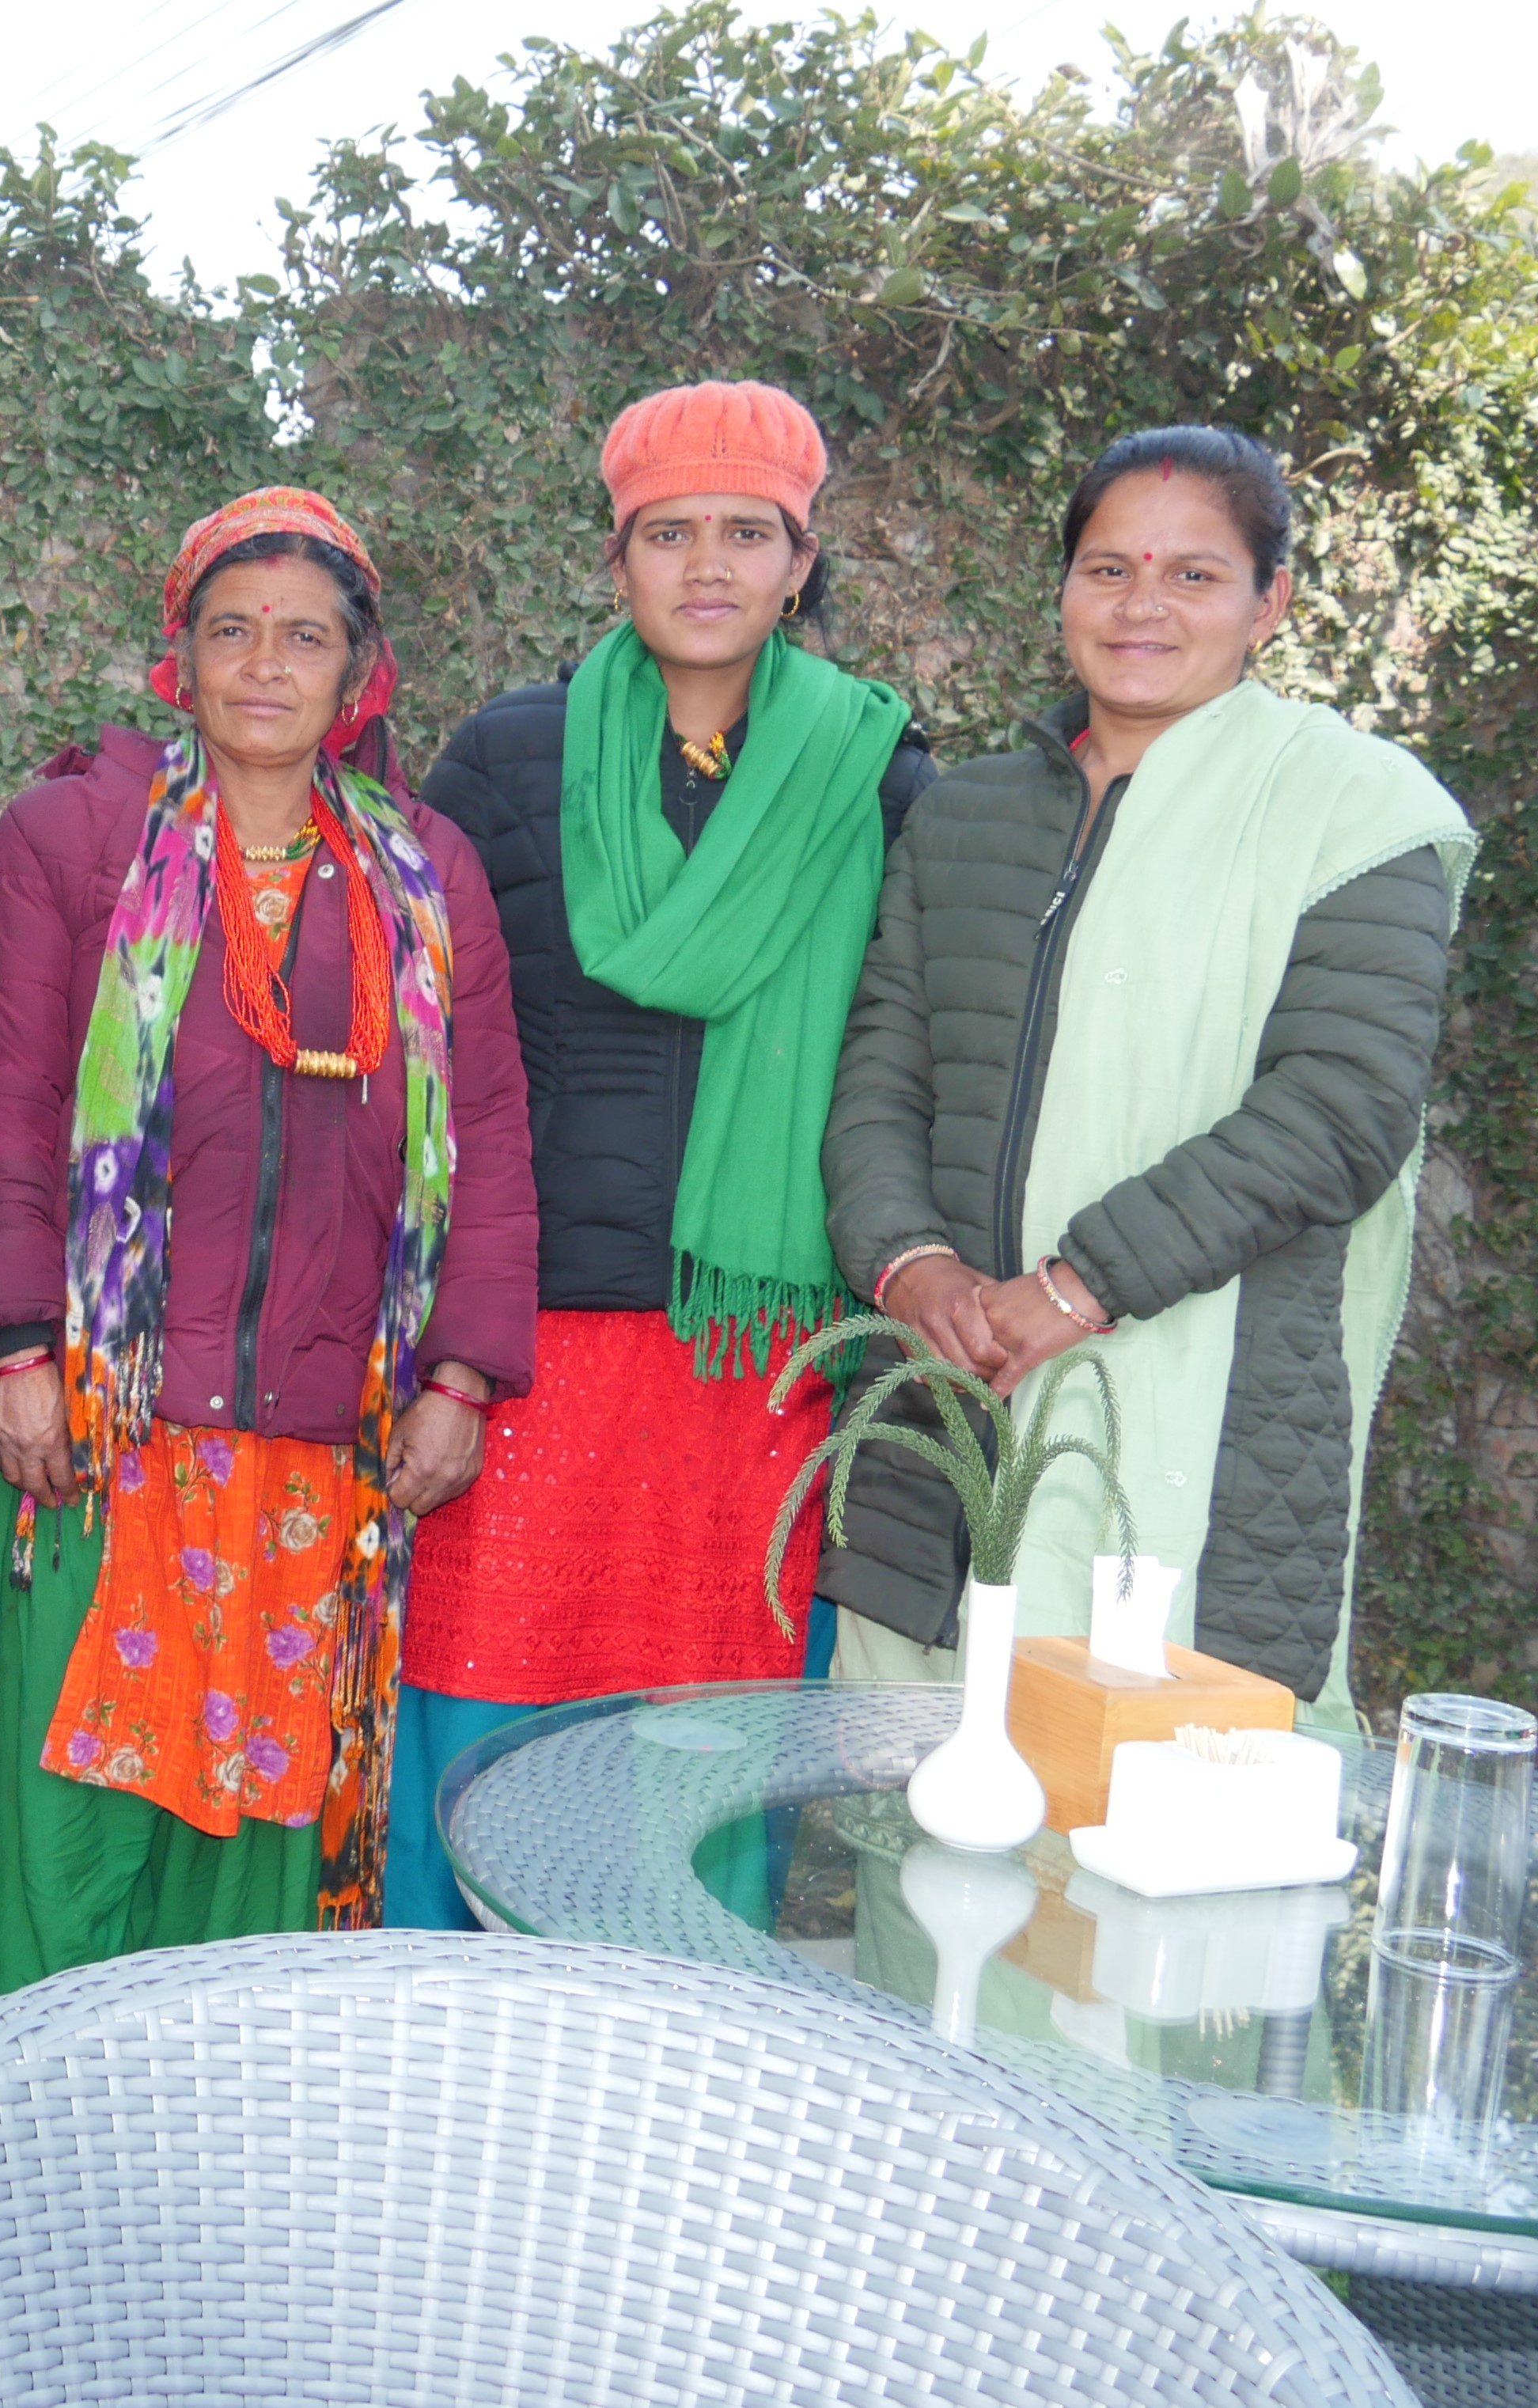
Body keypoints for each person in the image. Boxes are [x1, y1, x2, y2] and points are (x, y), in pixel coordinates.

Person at [0, 486, 534, 2018]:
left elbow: (495, 1137)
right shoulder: (73, 838)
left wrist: (461, 1371)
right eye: (233, 630)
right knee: (59, 1838)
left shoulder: (429, 876)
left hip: (320, 1453)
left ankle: (208, 2177)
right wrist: (14, 1349)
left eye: (306, 636)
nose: (267, 664)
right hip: (96, 1433)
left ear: (360, 672)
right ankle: (14, 2145)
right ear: (178, 658)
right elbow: (6, 1105)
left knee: (252, 1861)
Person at [386, 381, 933, 1928]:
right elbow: (436, 1066)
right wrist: (445, 1340)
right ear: (617, 559)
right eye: (668, 532)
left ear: (800, 561)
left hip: (757, 1358)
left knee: (704, 1746)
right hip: (534, 1342)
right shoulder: (509, 758)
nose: (708, 565)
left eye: (747, 533)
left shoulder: (876, 778)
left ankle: (674, 2098)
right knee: (479, 1722)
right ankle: (442, 2079)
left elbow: (909, 1061)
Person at [820, 425, 1468, 1721]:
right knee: (918, 1814)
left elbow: (1341, 1109)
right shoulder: (965, 815)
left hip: (1201, 1395)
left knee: (1153, 1829)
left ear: (1269, 601)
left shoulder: (1359, 809)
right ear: (1061, 586)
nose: (1141, 607)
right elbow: (883, 1068)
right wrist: (913, 1265)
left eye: (1193, 575)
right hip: (953, 1394)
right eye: (1108, 568)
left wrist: (1077, 1286)